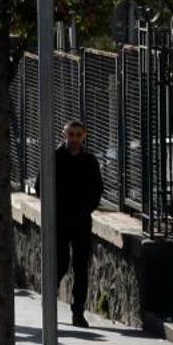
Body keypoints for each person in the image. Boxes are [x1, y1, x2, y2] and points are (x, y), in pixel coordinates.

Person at [54, 120, 104, 327]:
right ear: (64, 135)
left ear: (84, 136)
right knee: (60, 263)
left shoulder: (89, 160)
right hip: (59, 220)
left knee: (81, 267)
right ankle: (49, 303)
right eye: (70, 134)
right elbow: (41, 185)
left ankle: (78, 312)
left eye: (77, 135)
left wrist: (86, 209)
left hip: (81, 221)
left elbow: (97, 189)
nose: (73, 139)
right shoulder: (55, 158)